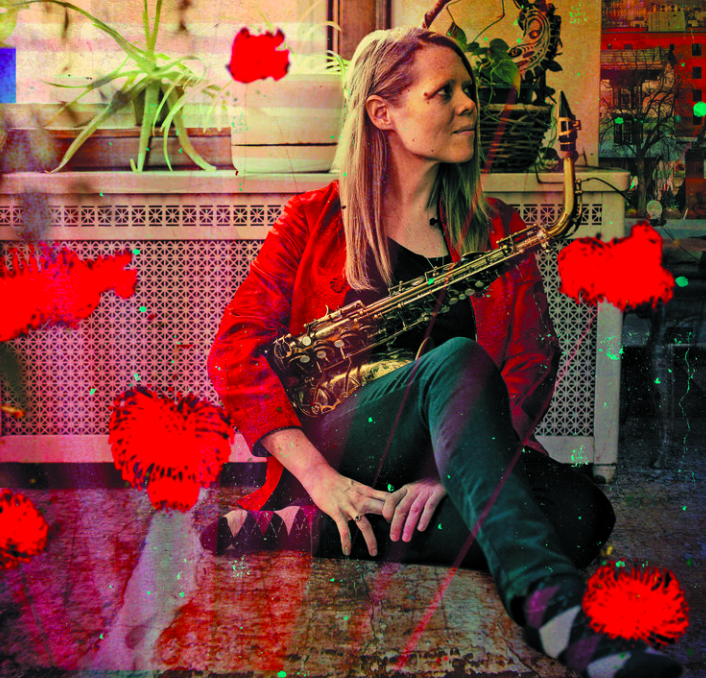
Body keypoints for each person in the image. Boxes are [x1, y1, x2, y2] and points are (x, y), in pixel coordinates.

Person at [205, 27, 684, 678]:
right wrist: (317, 476)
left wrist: (445, 474)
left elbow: (531, 362)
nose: (469, 105)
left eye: (470, 90)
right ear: (383, 113)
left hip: (453, 452)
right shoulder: (311, 219)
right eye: (444, 92)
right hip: (345, 446)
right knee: (457, 358)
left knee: (583, 515)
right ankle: (558, 616)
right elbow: (235, 351)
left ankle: (310, 530)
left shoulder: (498, 226)